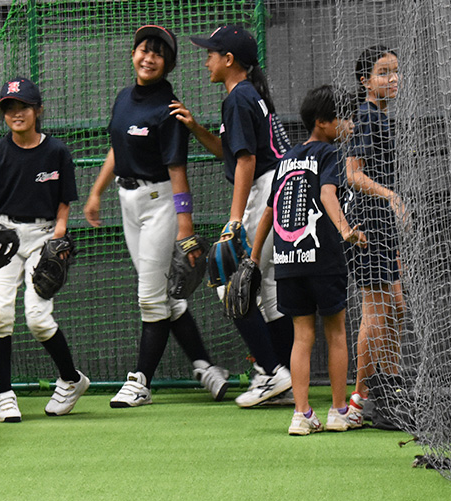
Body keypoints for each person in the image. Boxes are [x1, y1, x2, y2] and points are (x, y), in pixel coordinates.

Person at [84, 25, 230, 407]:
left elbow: (178, 172)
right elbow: (118, 149)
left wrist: (186, 227)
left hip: (160, 203)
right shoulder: (123, 98)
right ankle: (205, 367)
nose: (148, 58)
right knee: (169, 298)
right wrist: (97, 191)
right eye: (143, 50)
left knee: (150, 299)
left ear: (168, 64)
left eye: (158, 53)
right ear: (133, 54)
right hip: (127, 200)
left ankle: (139, 382)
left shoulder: (169, 109)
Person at [171, 25, 294, 408]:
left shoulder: (238, 98)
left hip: (265, 189)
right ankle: (283, 376)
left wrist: (234, 219)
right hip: (280, 187)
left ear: (229, 60)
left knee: (231, 283)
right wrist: (195, 129)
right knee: (267, 288)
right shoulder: (248, 95)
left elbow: (247, 160)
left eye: (211, 52)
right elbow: (231, 152)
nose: (205, 58)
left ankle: (273, 373)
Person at [249, 84, 367, 435]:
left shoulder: (285, 160)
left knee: (302, 336)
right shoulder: (328, 155)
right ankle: (338, 410)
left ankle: (302, 415)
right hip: (322, 257)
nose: (349, 124)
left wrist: (254, 258)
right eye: (343, 118)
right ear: (323, 123)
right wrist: (345, 229)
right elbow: (329, 192)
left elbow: (270, 213)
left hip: (287, 259)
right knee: (335, 334)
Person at [0, 77, 90, 422]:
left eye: (23, 106)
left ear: (38, 110)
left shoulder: (56, 151)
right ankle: (5, 395)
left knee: (37, 318)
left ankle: (71, 379)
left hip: (43, 234)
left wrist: (60, 235)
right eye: (9, 107)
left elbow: (65, 201)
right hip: (4, 233)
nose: (16, 113)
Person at [344, 45, 405, 420]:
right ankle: (358, 400)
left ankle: (391, 388)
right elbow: (353, 172)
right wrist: (391, 197)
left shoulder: (380, 117)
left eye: (395, 71)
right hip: (367, 224)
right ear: (365, 80)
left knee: (395, 306)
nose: (393, 79)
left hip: (383, 223)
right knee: (377, 311)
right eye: (384, 72)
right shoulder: (367, 116)